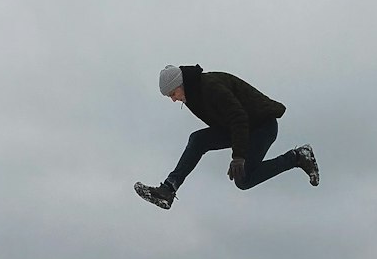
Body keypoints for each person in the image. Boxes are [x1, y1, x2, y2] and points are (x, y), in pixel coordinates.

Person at [135, 64, 319, 209]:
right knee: (198, 140)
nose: (173, 99)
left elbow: (238, 117)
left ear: (180, 84)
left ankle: (298, 156)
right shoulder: (192, 95)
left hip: (262, 126)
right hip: (238, 128)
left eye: (173, 94)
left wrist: (238, 157)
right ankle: (168, 189)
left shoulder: (210, 87)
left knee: (244, 180)